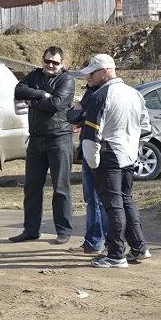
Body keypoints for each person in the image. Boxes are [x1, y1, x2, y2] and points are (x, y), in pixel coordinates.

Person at [79, 54, 152, 268]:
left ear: (106, 71)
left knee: (113, 206)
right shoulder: (134, 93)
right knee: (126, 200)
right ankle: (139, 247)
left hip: (108, 155)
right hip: (128, 155)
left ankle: (116, 254)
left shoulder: (100, 97)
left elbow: (91, 136)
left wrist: (93, 163)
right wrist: (132, 147)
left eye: (92, 72)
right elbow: (146, 128)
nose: (88, 77)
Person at [10, 46, 75, 245]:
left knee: (61, 187)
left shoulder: (67, 80)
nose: (50, 65)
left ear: (62, 64)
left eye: (55, 62)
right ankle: (31, 230)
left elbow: (55, 104)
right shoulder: (35, 75)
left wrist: (33, 102)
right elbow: (19, 90)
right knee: (31, 187)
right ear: (43, 60)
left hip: (59, 139)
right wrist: (41, 94)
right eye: (47, 61)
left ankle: (63, 230)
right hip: (36, 140)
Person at [66, 84, 108, 255]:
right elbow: (71, 115)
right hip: (86, 148)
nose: (88, 78)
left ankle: (110, 245)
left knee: (103, 200)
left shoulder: (107, 93)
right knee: (91, 199)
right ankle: (92, 242)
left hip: (102, 151)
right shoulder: (90, 93)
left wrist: (83, 113)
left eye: (91, 73)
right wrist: (84, 113)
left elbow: (100, 118)